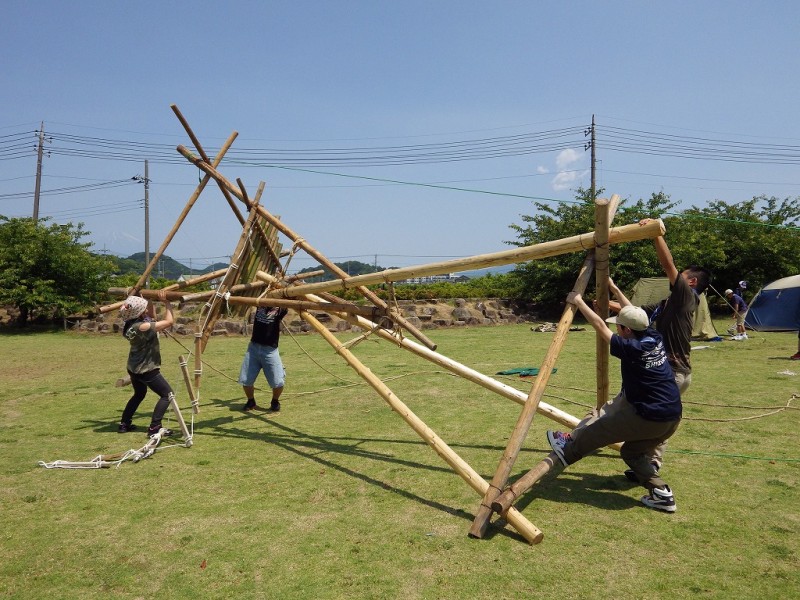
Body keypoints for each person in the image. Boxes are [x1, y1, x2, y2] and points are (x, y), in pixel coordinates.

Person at [547, 290, 682, 513]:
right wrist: (613, 288)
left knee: (598, 430)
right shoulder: (653, 337)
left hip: (649, 416)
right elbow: (634, 314)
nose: (616, 329)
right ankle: (662, 494)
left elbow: (600, 326)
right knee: (631, 453)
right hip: (672, 417)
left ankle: (566, 450)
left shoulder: (632, 348)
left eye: (618, 326)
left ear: (627, 330)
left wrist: (579, 301)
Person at [606, 224, 709, 476]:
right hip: (673, 371)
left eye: (682, 275)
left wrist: (655, 233)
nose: (675, 277)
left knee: (627, 409)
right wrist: (608, 295)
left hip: (672, 372)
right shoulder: (667, 304)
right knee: (659, 419)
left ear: (691, 281)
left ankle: (581, 441)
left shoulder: (686, 297)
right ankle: (649, 464)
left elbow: (667, 263)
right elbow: (634, 313)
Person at [118, 290, 176, 438]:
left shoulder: (129, 324)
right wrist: (167, 303)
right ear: (139, 313)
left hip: (133, 367)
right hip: (147, 369)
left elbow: (151, 316)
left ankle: (124, 423)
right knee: (167, 395)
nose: (146, 310)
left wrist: (148, 299)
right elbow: (169, 322)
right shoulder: (142, 327)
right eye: (143, 308)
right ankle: (154, 427)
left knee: (139, 394)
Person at [239, 306, 288, 412]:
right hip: (253, 348)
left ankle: (275, 401)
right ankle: (251, 401)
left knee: (278, 381)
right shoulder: (260, 304)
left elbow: (288, 302)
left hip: (270, 350)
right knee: (246, 380)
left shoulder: (280, 308)